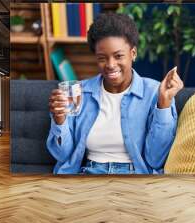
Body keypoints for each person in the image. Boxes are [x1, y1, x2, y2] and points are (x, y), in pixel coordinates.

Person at [47, 13, 183, 174]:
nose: (110, 65)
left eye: (118, 56)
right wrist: (59, 121)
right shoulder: (78, 92)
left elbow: (156, 159)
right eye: (102, 58)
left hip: (134, 177)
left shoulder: (156, 92)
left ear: (133, 53)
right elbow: (62, 155)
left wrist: (164, 105)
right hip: (89, 175)